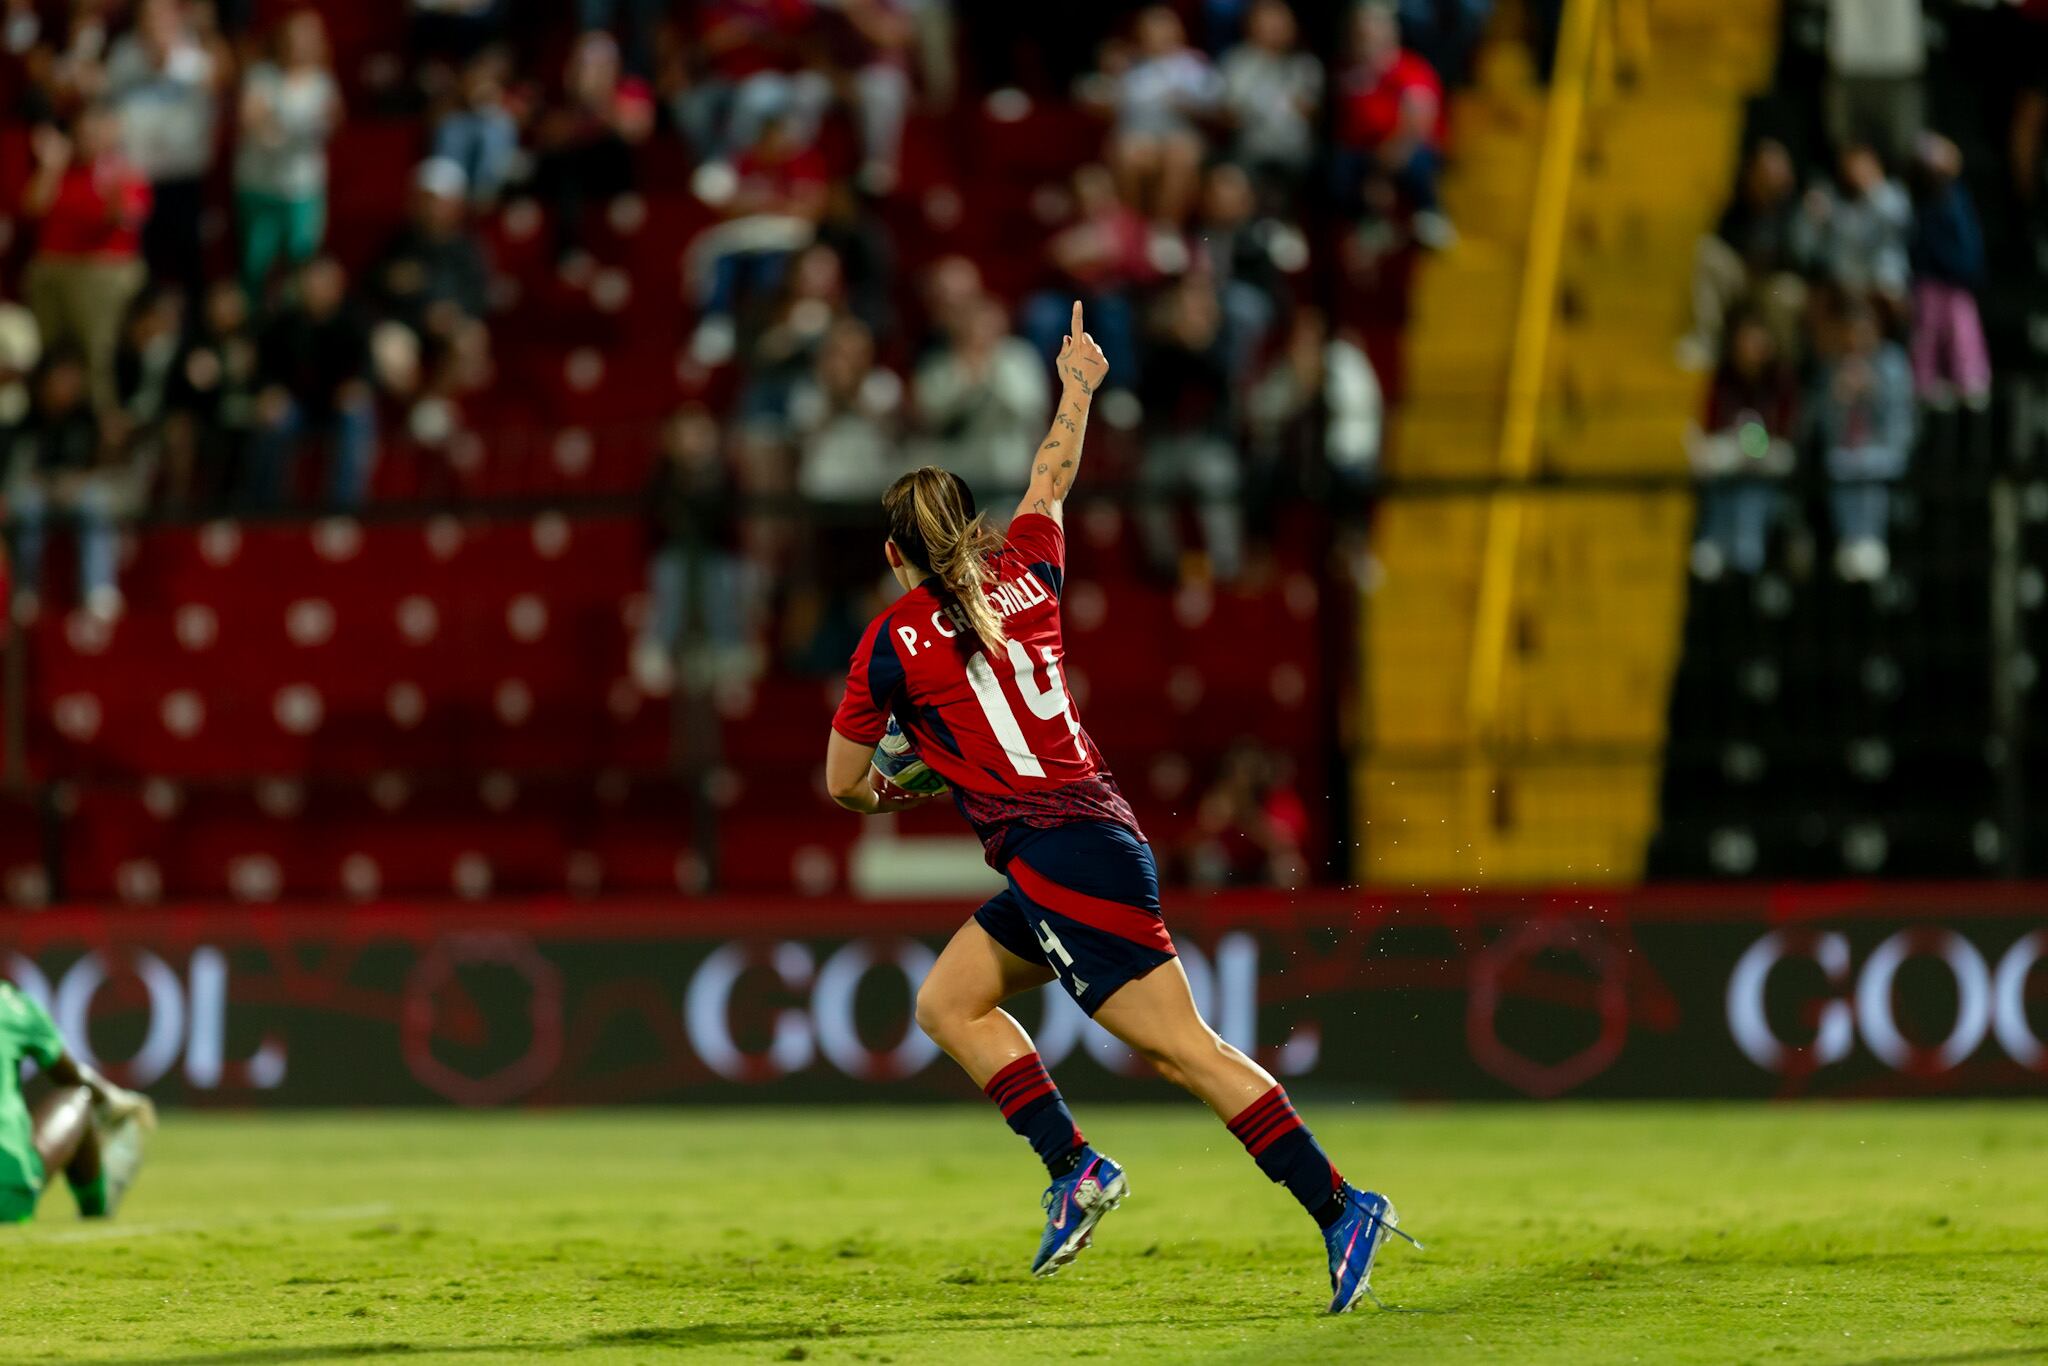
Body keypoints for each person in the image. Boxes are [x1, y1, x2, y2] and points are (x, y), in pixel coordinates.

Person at [820, 302, 1414, 1314]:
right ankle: (1077, 1170)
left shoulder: (887, 643)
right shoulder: (1025, 569)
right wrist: (1079, 384)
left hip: (1058, 851)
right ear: (971, 527)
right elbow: (1051, 470)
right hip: (1086, 833)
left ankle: (1338, 1202)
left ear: (891, 558)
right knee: (949, 1001)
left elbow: (842, 784)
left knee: (1184, 1050)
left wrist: (898, 782)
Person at [20, 105, 152, 415]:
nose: (86, 140)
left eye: (94, 132)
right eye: (80, 133)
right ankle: (49, 422)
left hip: (101, 273)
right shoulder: (58, 168)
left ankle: (102, 420)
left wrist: (112, 185)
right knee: (50, 353)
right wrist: (50, 165)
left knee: (97, 354)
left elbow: (128, 217)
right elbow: (32, 207)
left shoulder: (122, 170)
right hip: (52, 269)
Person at [1, 978, 155, 1224]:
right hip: (7, 1194)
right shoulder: (10, 1005)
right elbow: (69, 1076)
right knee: (78, 1097)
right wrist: (114, 1100)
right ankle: (97, 1208)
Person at [234, 9, 341, 299]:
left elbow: (333, 122)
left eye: (307, 37)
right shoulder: (261, 77)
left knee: (302, 266)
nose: (299, 45)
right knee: (257, 264)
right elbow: (252, 120)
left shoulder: (324, 83)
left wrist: (278, 126)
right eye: (293, 37)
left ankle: (292, 328)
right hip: (259, 186)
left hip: (303, 189)